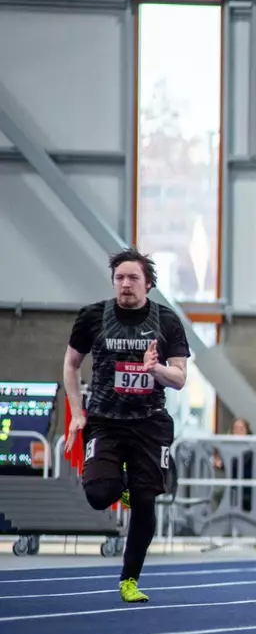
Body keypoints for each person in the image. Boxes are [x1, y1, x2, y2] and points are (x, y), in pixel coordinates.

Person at [62, 249, 190, 604]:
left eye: (133, 278)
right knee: (99, 494)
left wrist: (156, 371)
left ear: (148, 283)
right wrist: (77, 413)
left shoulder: (166, 321)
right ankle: (124, 484)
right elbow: (71, 365)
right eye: (120, 278)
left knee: (145, 503)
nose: (126, 284)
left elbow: (179, 378)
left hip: (149, 423)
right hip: (105, 420)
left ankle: (129, 580)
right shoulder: (92, 317)